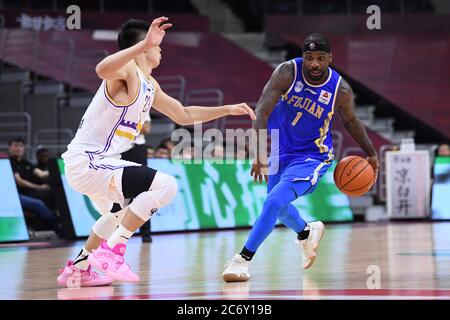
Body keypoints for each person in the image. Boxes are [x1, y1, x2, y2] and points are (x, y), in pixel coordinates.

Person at [57, 17, 255, 287]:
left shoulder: (150, 85)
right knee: (166, 186)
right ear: (143, 45)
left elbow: (183, 114)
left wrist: (227, 109)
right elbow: (102, 68)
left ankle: (79, 268)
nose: (161, 48)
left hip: (99, 164)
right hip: (89, 161)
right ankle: (113, 252)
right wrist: (144, 44)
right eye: (155, 44)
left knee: (118, 212)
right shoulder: (126, 69)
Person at [222, 33, 379, 282]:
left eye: (320, 58)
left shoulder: (341, 90)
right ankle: (307, 232)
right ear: (303, 57)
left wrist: (371, 153)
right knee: (279, 208)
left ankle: (241, 261)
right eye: (309, 57)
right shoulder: (287, 72)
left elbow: (351, 121)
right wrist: (260, 154)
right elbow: (261, 111)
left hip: (312, 157)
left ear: (330, 58)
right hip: (280, 150)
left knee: (273, 202)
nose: (314, 63)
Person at [8, 138, 62, 235]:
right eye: (15, 145)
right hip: (18, 194)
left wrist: (59, 169)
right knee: (38, 203)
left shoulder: (25, 162)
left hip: (31, 193)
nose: (18, 148)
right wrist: (39, 187)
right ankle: (57, 228)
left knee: (54, 194)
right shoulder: (9, 162)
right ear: (10, 148)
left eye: (20, 146)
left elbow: (41, 174)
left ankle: (61, 221)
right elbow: (19, 181)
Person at [120, 115, 153, 242]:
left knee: (142, 191)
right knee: (120, 190)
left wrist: (128, 126)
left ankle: (146, 233)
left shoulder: (143, 105)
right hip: (121, 148)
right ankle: (116, 233)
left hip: (137, 149)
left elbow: (146, 129)